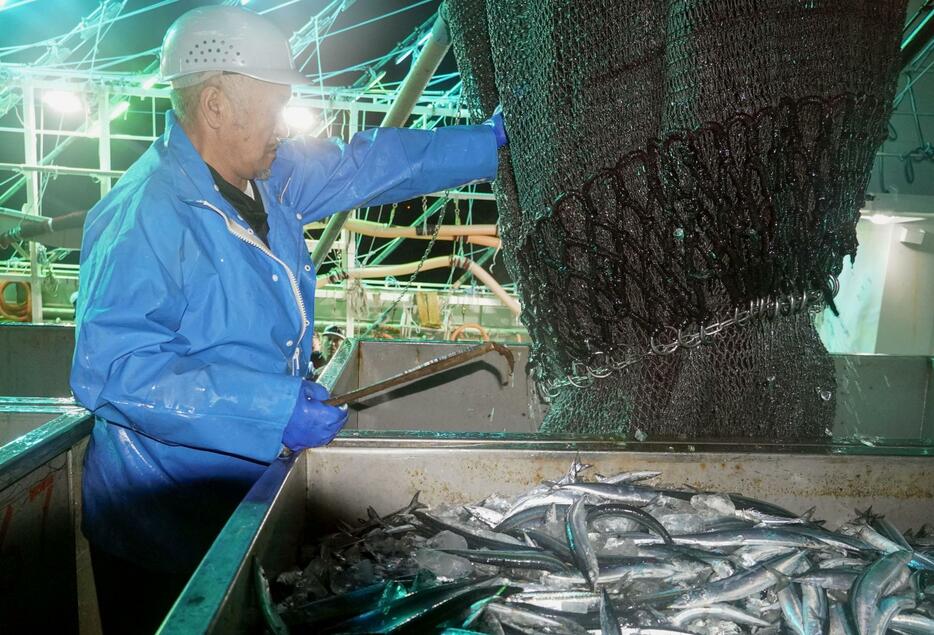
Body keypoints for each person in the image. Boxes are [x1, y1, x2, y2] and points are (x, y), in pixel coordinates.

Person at [69, 5, 506, 632]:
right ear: (216, 105)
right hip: (161, 528)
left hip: (239, 500)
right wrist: (270, 409)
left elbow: (364, 163)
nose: (284, 125)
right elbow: (114, 372)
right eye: (273, 106)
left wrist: (482, 145)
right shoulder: (145, 213)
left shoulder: (265, 180)